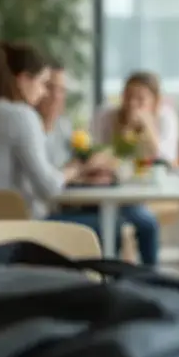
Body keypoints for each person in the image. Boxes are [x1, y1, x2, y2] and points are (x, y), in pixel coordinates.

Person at [0, 42, 113, 219]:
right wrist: (77, 168)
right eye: (43, 83)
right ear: (23, 81)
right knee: (106, 227)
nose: (44, 93)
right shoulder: (20, 115)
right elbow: (49, 189)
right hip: (7, 234)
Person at [37, 62, 163, 268]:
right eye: (128, 95)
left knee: (146, 223)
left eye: (61, 90)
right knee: (112, 225)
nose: (131, 103)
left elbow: (162, 160)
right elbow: (60, 174)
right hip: (67, 203)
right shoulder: (31, 125)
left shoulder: (62, 124)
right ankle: (106, 280)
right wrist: (81, 168)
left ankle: (149, 279)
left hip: (115, 196)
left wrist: (146, 128)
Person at [94, 71, 179, 165]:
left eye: (140, 99)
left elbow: (167, 159)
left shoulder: (166, 118)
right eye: (128, 96)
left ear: (155, 101)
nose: (132, 103)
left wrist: (148, 126)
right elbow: (97, 151)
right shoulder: (107, 116)